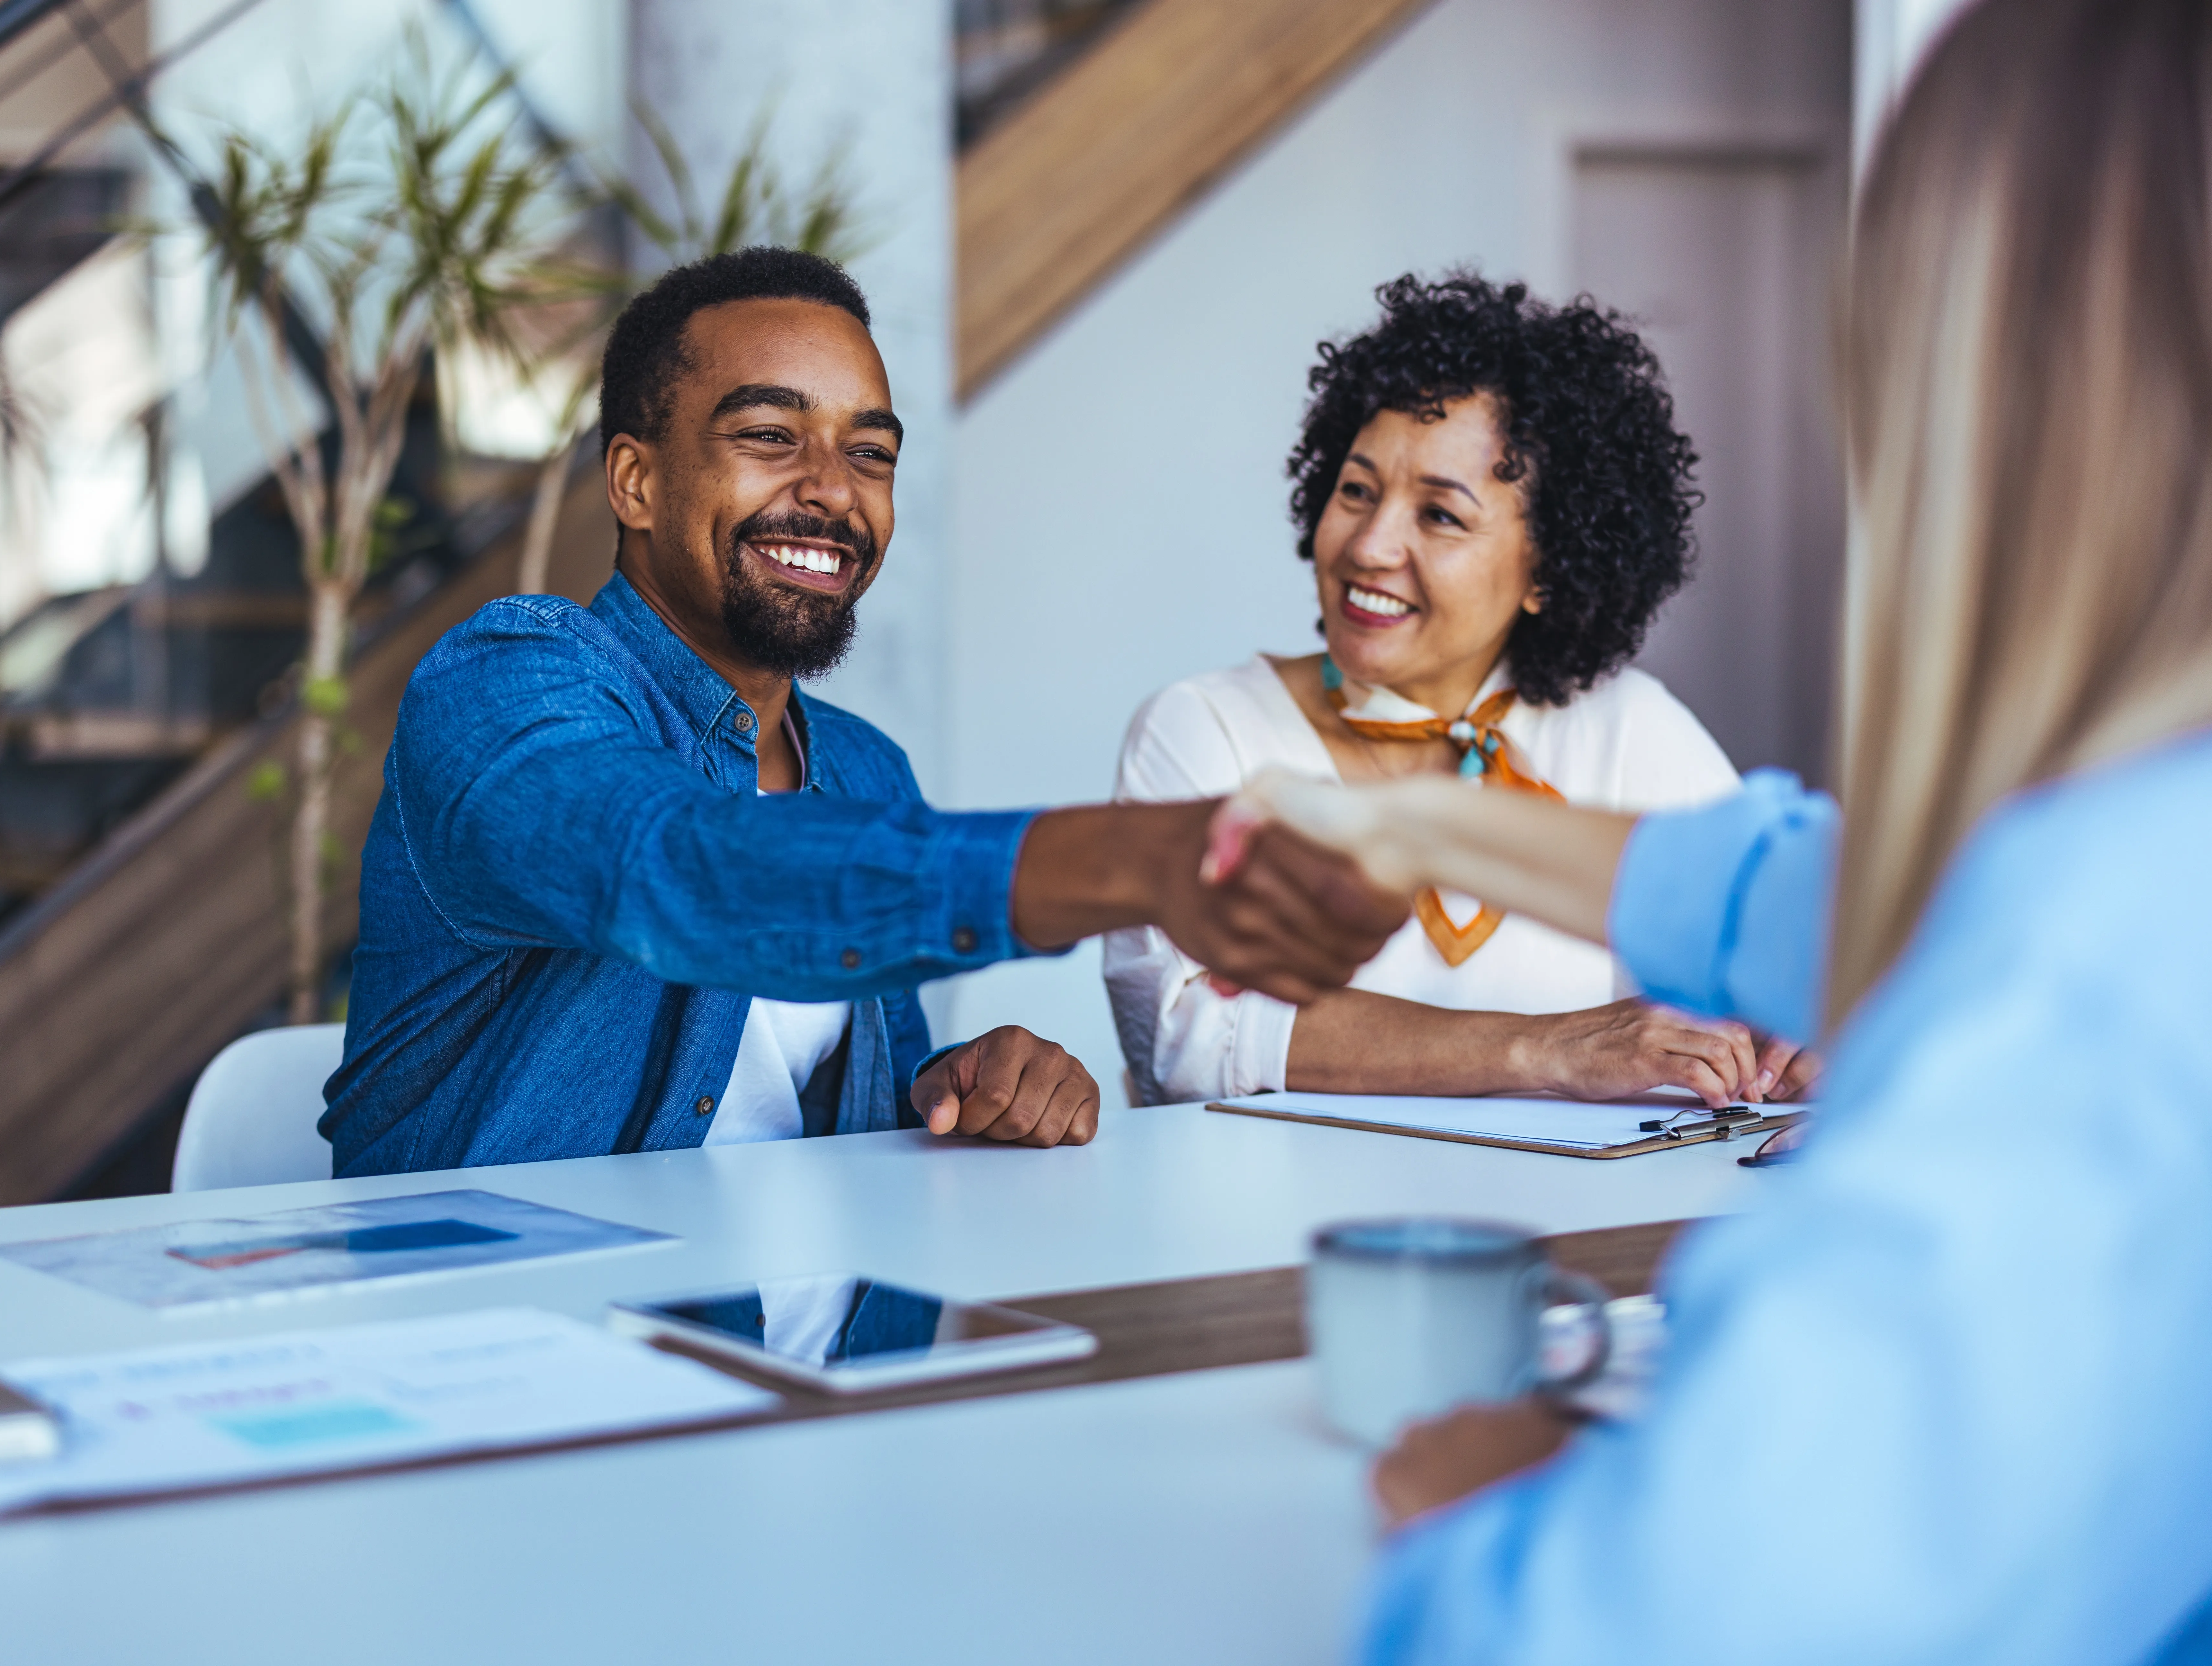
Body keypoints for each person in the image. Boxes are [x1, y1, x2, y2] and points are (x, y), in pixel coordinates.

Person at [1222, 0, 2212, 1658]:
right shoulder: (2131, 855)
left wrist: (1489, 1516)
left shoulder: (2092, 991)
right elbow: (1829, 900)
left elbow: (1650, 1621)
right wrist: (1417, 834)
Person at [321, 247, 1401, 1175]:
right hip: (507, 1364)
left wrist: (961, 1088)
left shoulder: (862, 769)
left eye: (870, 453)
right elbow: (679, 867)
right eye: (769, 437)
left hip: (803, 1368)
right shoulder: (507, 681)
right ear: (636, 482)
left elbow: (807, 1112)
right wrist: (1134, 859)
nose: (836, 492)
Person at [1107, 275, 1802, 1110]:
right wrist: (1550, 1048)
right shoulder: (1204, 728)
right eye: (1356, 491)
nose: (1369, 546)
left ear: (1546, 567)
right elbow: (1182, 1037)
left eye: (1439, 515)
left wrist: (1788, 1040)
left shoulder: (1629, 728)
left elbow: (1772, 957)